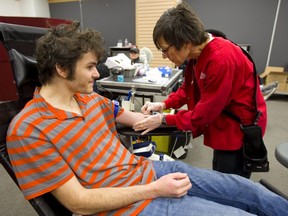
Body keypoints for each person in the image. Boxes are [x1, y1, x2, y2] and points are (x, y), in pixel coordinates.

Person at [6, 22, 287, 216]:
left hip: (148, 172)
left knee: (246, 190)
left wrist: (157, 115)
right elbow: (79, 203)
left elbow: (134, 117)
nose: (97, 74)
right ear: (61, 70)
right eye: (90, 67)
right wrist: (153, 189)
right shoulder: (29, 128)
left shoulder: (90, 99)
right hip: (131, 206)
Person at [133, 2, 267, 179]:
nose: (165, 56)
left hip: (238, 129)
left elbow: (204, 114)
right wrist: (162, 104)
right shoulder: (196, 54)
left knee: (230, 185)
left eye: (165, 50)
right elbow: (187, 90)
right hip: (223, 121)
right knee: (219, 172)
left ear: (186, 42)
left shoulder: (220, 59)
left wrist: (164, 119)